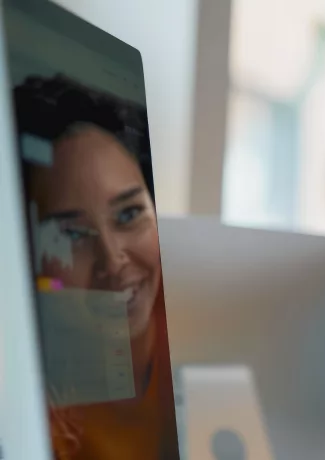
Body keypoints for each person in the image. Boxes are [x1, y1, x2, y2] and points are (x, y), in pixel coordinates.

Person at [17, 74, 179, 460]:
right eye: (72, 234)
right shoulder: (27, 394)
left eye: (129, 214)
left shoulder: (201, 316)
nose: (113, 259)